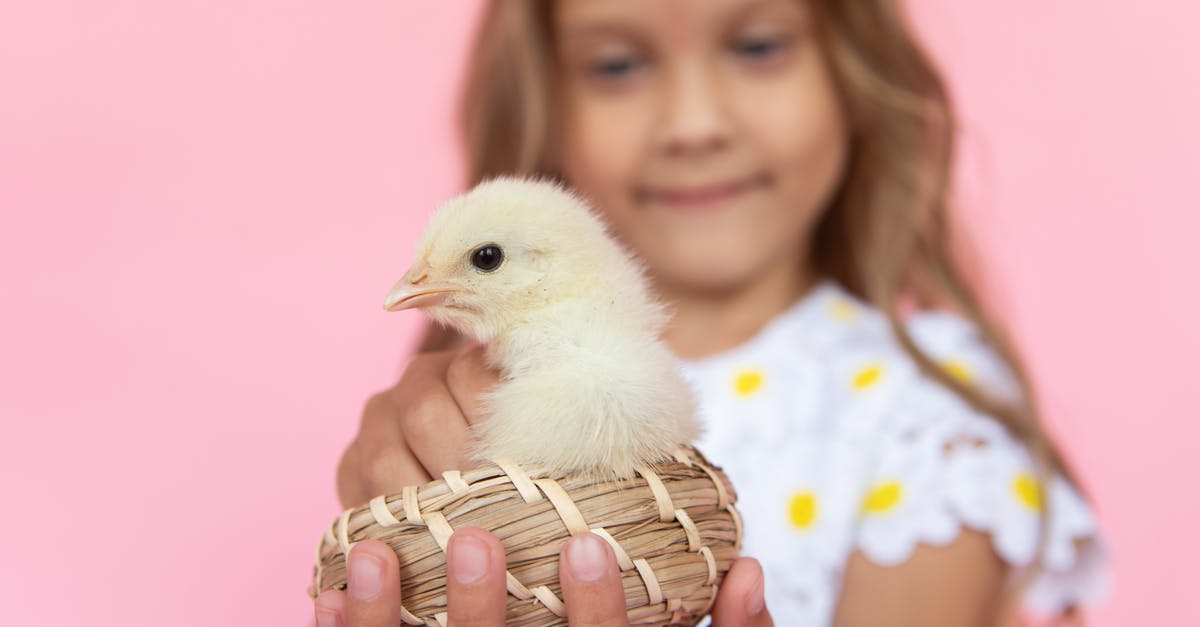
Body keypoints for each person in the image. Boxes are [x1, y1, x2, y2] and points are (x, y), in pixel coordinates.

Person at [313, 0, 1109, 624]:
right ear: (543, 102)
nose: (694, 124)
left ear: (853, 69)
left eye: (758, 46)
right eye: (618, 64)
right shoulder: (457, 391)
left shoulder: (928, 418)